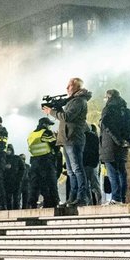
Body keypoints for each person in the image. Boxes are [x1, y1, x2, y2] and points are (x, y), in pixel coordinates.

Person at [43, 77, 92, 206]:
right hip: (67, 139)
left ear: (77, 87)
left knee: (77, 169)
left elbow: (67, 117)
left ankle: (82, 197)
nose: (67, 88)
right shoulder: (73, 101)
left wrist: (51, 111)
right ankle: (73, 197)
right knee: (71, 171)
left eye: (70, 85)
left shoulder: (78, 101)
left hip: (73, 138)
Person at [100, 89, 130, 204]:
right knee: (122, 172)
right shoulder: (124, 109)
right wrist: (123, 141)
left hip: (110, 145)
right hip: (123, 145)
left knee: (112, 172)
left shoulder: (109, 109)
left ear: (109, 97)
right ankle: (121, 198)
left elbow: (107, 126)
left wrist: (117, 140)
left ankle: (116, 198)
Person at [26, 117, 60, 208]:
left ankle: (31, 203)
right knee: (50, 182)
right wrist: (57, 138)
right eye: (49, 125)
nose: (49, 127)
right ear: (45, 124)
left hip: (34, 162)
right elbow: (56, 147)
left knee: (34, 184)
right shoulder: (46, 132)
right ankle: (51, 203)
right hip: (46, 161)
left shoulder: (31, 134)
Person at [83, 124, 102, 205]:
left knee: (86, 185)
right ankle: (99, 202)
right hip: (94, 163)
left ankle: (89, 202)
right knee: (95, 184)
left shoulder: (82, 137)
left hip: (85, 163)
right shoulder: (95, 137)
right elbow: (98, 150)